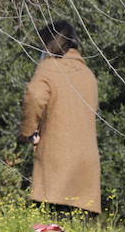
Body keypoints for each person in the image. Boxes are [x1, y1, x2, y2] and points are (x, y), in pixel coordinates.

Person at [19, 21, 101, 216]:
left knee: (50, 223)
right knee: (77, 223)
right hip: (86, 160)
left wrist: (27, 132)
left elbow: (34, 96)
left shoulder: (49, 68)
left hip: (57, 156)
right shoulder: (88, 74)